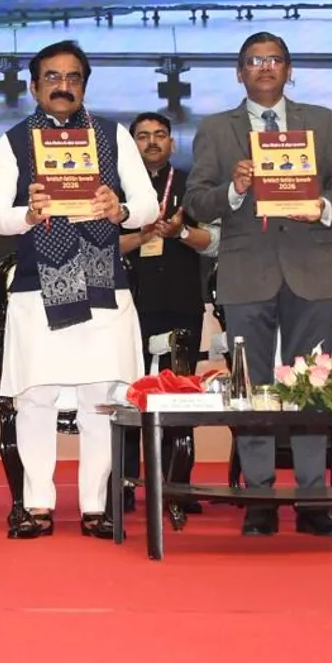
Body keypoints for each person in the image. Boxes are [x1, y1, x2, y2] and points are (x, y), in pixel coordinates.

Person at [185, 31, 332, 537]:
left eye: (275, 60)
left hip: (312, 264)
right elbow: (197, 201)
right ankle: (259, 498)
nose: (265, 68)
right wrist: (234, 191)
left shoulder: (321, 122)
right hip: (246, 270)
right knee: (252, 387)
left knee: (315, 387)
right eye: (254, 61)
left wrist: (322, 207)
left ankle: (312, 500)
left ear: (289, 70)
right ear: (239, 73)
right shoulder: (216, 130)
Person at [0, 41, 158, 540]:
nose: (64, 86)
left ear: (85, 84)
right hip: (38, 284)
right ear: (35, 86)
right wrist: (29, 215)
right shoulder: (13, 141)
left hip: (104, 283)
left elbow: (146, 207)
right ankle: (36, 504)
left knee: (100, 396)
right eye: (53, 77)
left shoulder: (112, 135)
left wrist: (117, 208)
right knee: (35, 396)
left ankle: (96, 506)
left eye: (74, 77)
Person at [118, 112, 218, 515]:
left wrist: (178, 232)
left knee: (180, 394)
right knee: (126, 395)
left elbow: (212, 242)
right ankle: (122, 484)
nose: (152, 142)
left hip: (181, 301)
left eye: (160, 135)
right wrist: (142, 235)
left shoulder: (193, 187)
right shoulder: (116, 191)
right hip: (128, 303)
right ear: (131, 144)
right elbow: (104, 249)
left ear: (172, 144)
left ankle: (178, 485)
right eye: (142, 136)